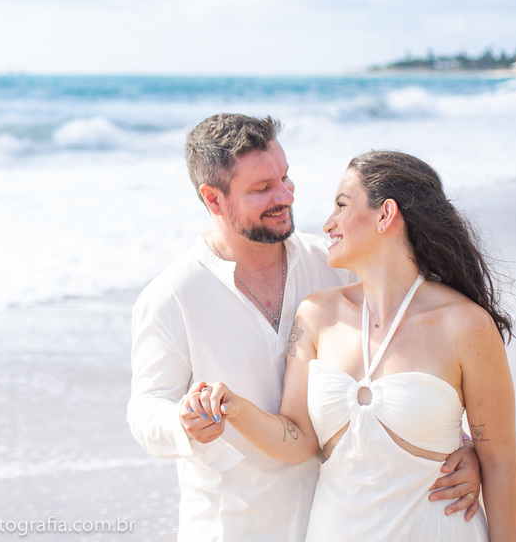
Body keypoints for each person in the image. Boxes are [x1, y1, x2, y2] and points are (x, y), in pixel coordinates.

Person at [127, 115, 482, 541]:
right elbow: (145, 410)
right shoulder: (172, 296)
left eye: (285, 176)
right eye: (262, 188)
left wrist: (460, 443)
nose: (285, 195)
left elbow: (416, 350)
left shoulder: (333, 265)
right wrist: (183, 422)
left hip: (338, 517)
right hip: (233, 526)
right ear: (213, 199)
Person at [191, 150, 516, 540]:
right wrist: (235, 407)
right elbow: (298, 439)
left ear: (385, 215)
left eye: (342, 206)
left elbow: (499, 462)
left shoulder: (465, 326)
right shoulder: (316, 314)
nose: (328, 222)